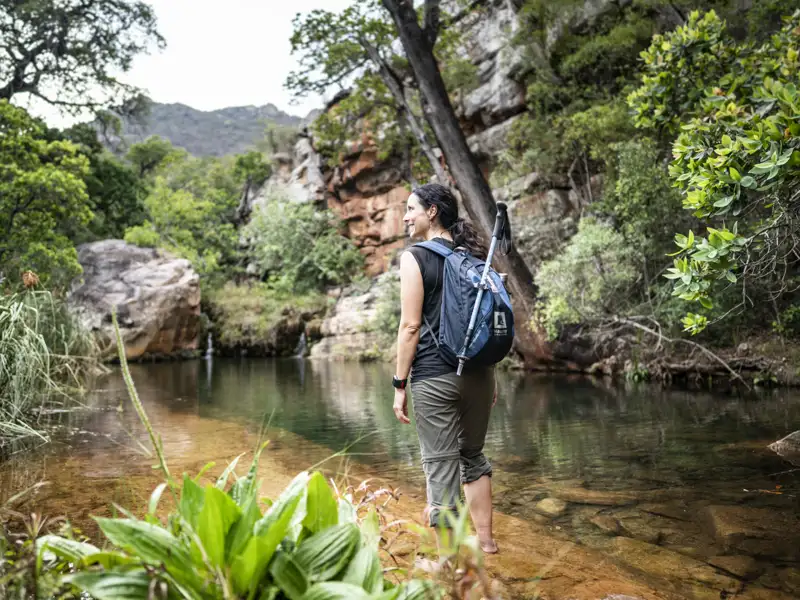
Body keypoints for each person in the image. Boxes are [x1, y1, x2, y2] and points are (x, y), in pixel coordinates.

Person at [391, 182, 498, 554]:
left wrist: (399, 383)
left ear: (432, 211)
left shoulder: (415, 257)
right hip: (480, 374)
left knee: (440, 465)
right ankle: (486, 544)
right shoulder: (473, 256)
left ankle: (448, 564)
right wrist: (491, 375)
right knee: (473, 457)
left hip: (435, 377)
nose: (406, 217)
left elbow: (410, 327)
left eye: (411, 209)